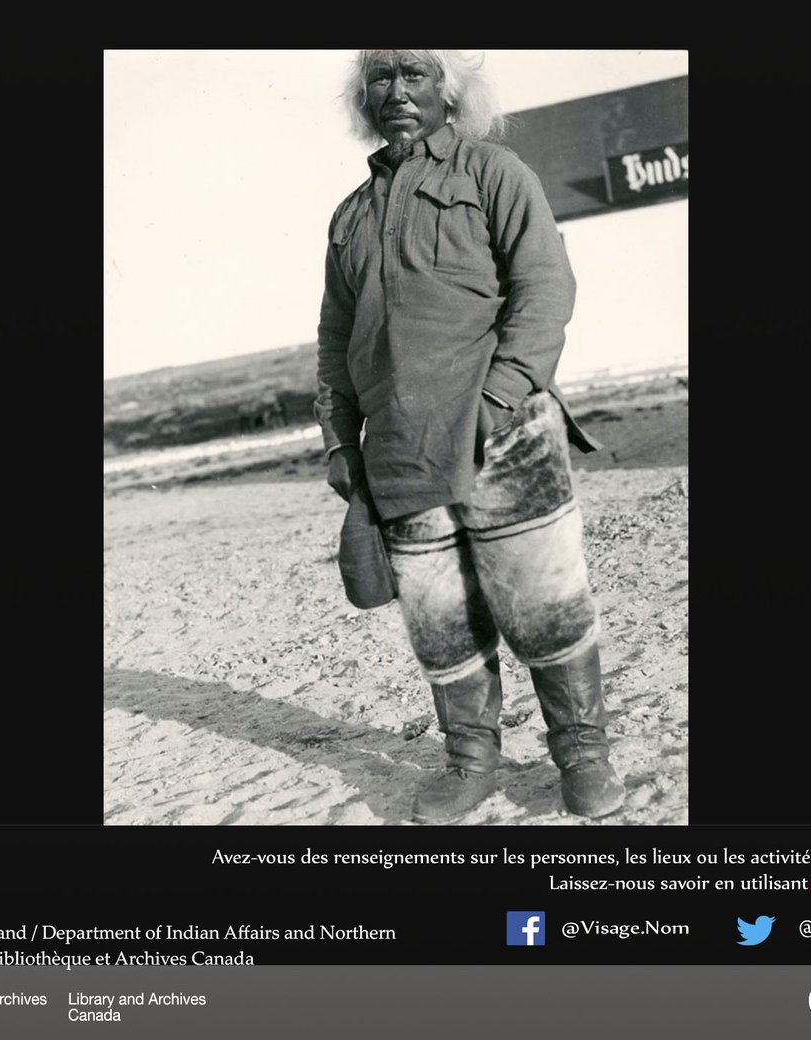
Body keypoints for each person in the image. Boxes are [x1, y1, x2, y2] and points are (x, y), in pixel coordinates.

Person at [315, 50, 625, 824]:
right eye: (381, 77)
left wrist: (497, 398)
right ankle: (470, 763)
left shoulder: (494, 173)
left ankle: (583, 756)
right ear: (364, 97)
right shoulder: (350, 214)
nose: (397, 91)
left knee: (543, 604)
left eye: (414, 73)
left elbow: (545, 287)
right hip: (398, 451)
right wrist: (339, 445)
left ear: (448, 88)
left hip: (506, 435)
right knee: (439, 621)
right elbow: (335, 340)